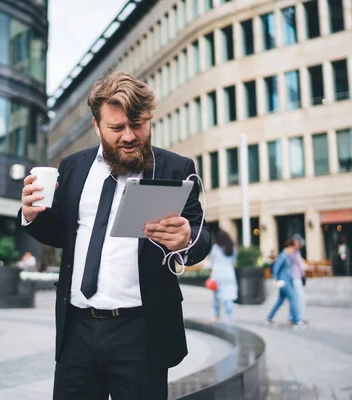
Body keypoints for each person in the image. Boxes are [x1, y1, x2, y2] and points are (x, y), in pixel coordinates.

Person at [19, 72, 210, 400]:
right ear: (96, 125)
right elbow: (63, 232)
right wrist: (31, 215)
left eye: (138, 125)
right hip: (76, 331)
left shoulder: (174, 168)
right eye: (117, 128)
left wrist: (187, 238)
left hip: (141, 332)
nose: (130, 136)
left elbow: (202, 235)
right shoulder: (73, 167)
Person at [266, 239, 305, 328]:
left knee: (280, 301)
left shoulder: (286, 256)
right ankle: (297, 320)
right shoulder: (283, 256)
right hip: (284, 282)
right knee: (294, 298)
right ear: (290, 247)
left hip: (286, 281)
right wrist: (275, 279)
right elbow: (276, 267)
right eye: (293, 249)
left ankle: (269, 317)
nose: (293, 251)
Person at [209, 230, 238, 323]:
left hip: (217, 275)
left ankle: (217, 316)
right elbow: (233, 262)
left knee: (216, 297)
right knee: (228, 296)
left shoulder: (216, 248)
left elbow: (211, 262)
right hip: (229, 274)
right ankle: (229, 317)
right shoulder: (233, 248)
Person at [290, 234, 307, 324]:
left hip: (296, 277)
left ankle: (294, 317)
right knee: (300, 298)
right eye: (298, 243)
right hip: (295, 277)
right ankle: (299, 318)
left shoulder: (296, 251)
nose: (299, 245)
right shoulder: (292, 252)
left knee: (296, 298)